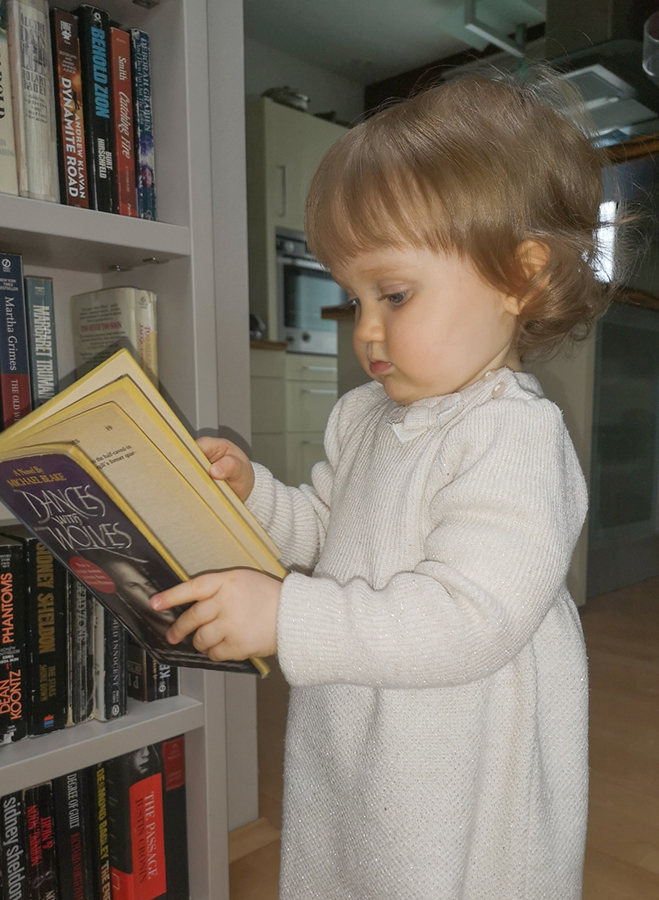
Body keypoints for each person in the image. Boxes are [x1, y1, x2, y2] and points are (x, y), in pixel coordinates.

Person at [151, 70, 616, 899]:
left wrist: (285, 616)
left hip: (460, 748)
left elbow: (472, 619)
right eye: (353, 295)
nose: (364, 327)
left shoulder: (511, 434)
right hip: (361, 723)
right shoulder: (364, 416)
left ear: (519, 278)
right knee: (353, 860)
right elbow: (326, 532)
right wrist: (253, 495)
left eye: (393, 294)